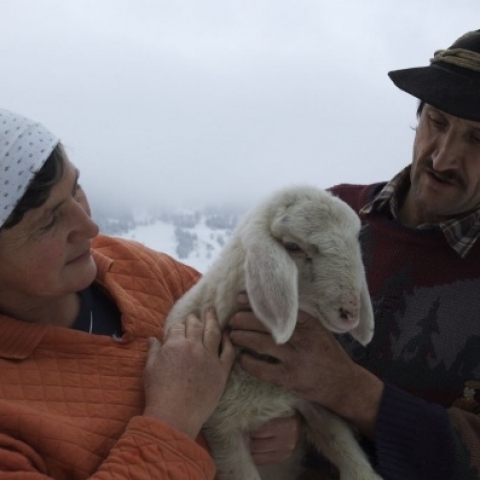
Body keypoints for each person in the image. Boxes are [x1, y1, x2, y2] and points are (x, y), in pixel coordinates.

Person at [230, 29, 480, 480]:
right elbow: (244, 331)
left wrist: (353, 392)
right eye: (437, 123)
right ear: (418, 114)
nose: (443, 158)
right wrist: (284, 418)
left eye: (477, 140)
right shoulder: (330, 214)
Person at [0, 108, 299, 479]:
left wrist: (282, 416)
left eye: (76, 190)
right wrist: (174, 417)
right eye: (48, 222)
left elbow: (274, 342)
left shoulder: (134, 266)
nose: (89, 227)